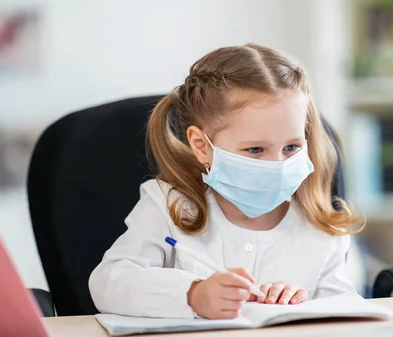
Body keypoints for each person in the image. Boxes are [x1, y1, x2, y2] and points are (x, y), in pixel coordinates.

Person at [88, 44, 363, 320]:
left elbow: (344, 313)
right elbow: (109, 283)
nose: (277, 166)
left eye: (291, 147)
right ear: (202, 145)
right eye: (255, 150)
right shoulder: (168, 206)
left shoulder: (323, 230)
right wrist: (194, 295)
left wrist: (300, 301)